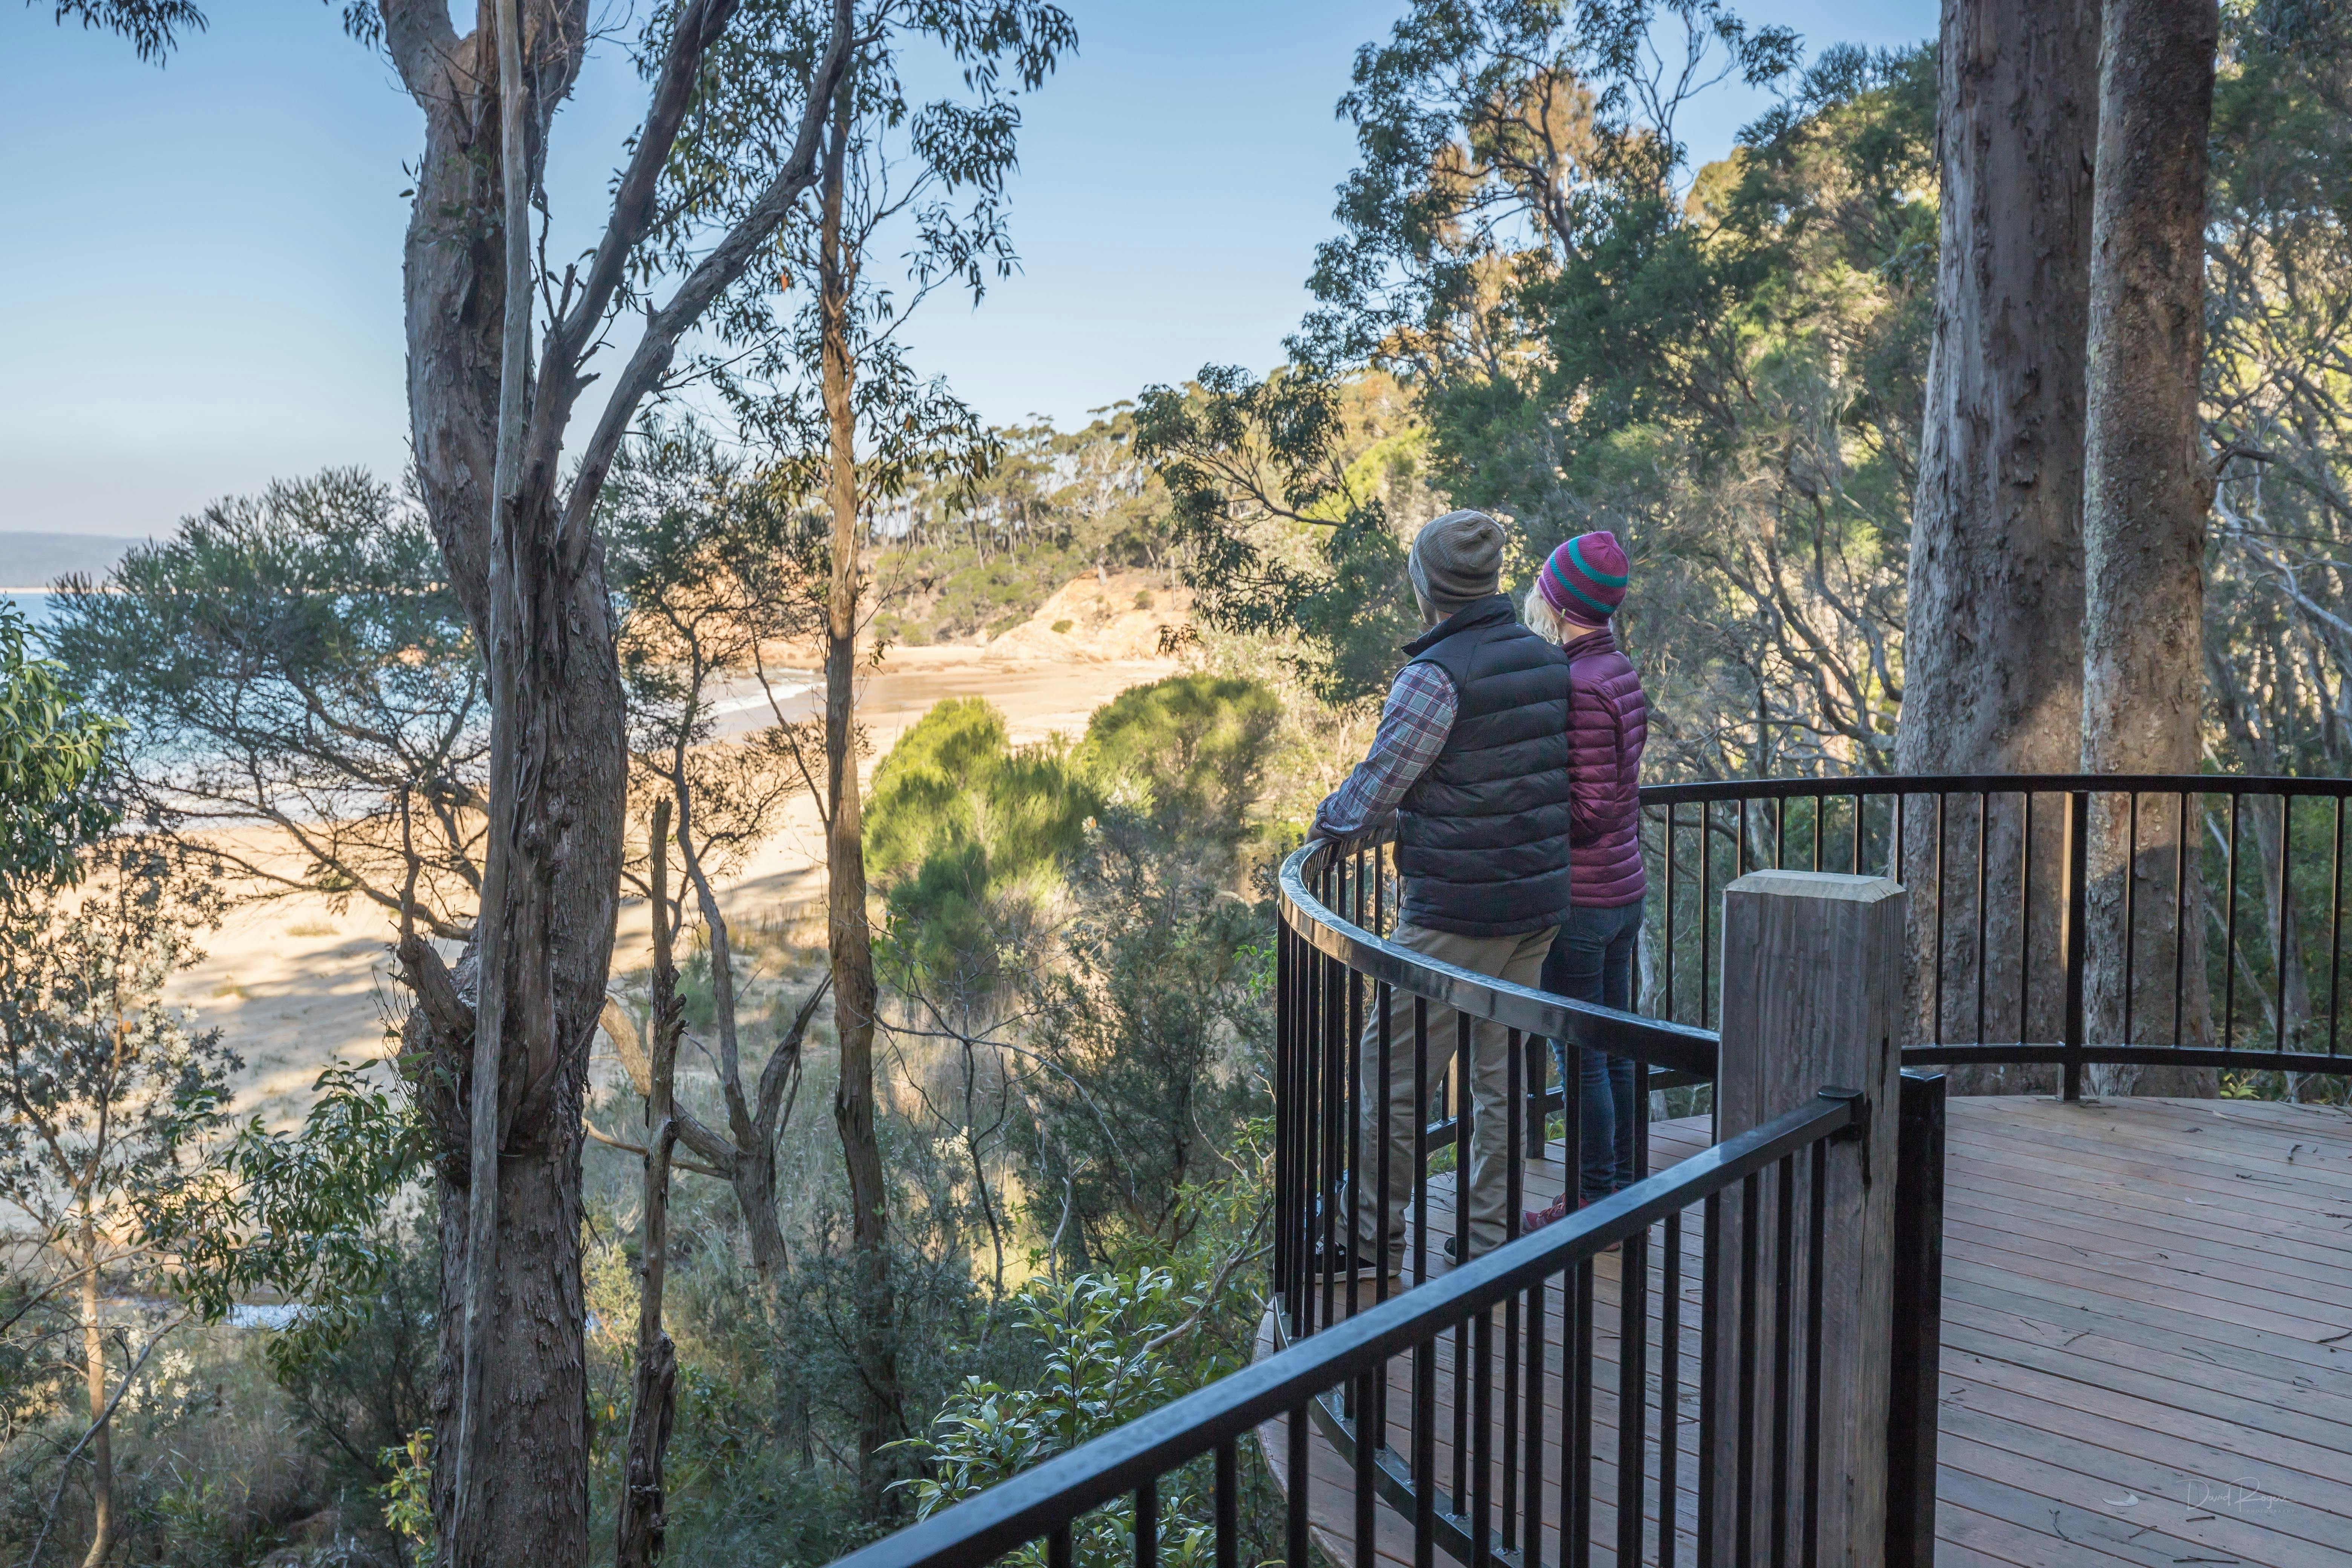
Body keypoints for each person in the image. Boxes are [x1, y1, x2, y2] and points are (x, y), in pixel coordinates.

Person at [1309, 510, 1575, 1267]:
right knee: (1500, 1077)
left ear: (1425, 585)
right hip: (1535, 904)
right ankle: (1489, 1235)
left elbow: (1377, 787)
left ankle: (1368, 1238)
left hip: (1457, 910)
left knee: (1392, 1074)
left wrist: (1327, 822)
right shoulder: (1545, 658)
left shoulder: (1437, 675)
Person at [1517, 531, 1649, 1231]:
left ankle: (1595, 1201)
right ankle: (1623, 1189)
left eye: (1544, 587)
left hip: (1587, 900)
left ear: (1562, 604)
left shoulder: (1581, 683)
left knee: (1584, 1058)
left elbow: (1590, 808)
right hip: (1622, 891)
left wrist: (1528, 807)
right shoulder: (1615, 668)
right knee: (1616, 1050)